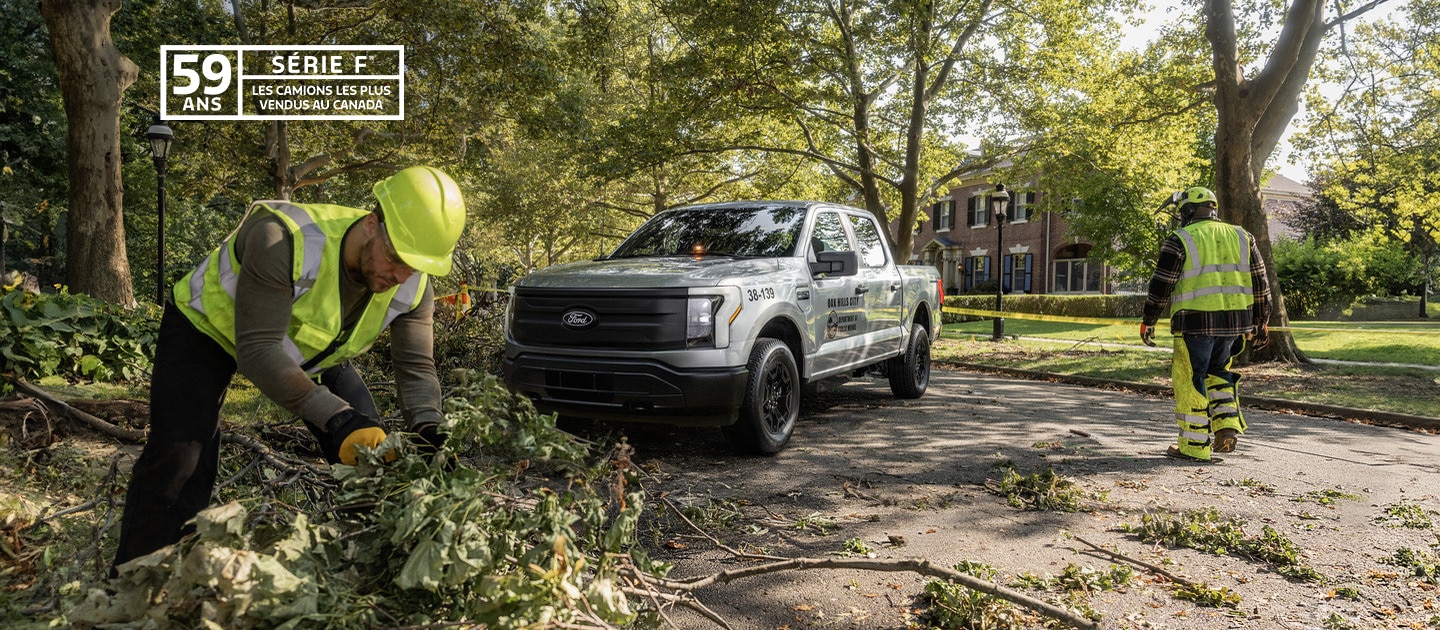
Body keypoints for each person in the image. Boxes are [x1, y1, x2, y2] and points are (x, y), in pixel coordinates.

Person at [113, 166, 466, 566]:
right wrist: (334, 416)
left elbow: (417, 368)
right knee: (182, 457)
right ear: (372, 225)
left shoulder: (414, 287)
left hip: (310, 350)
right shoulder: (282, 238)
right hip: (208, 330)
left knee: (373, 452)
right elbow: (258, 350)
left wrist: (429, 428)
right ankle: (136, 578)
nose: (401, 276)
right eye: (397, 258)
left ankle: (375, 567)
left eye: (416, 266)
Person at [1140, 186, 1271, 463]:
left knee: (1191, 380)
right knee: (1218, 374)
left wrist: (1149, 321)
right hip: (1234, 325)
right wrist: (1261, 321)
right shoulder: (1242, 236)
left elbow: (1161, 285)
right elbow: (1261, 282)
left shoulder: (1180, 239)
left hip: (1195, 324)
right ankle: (1225, 428)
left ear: (1188, 211)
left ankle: (1193, 446)